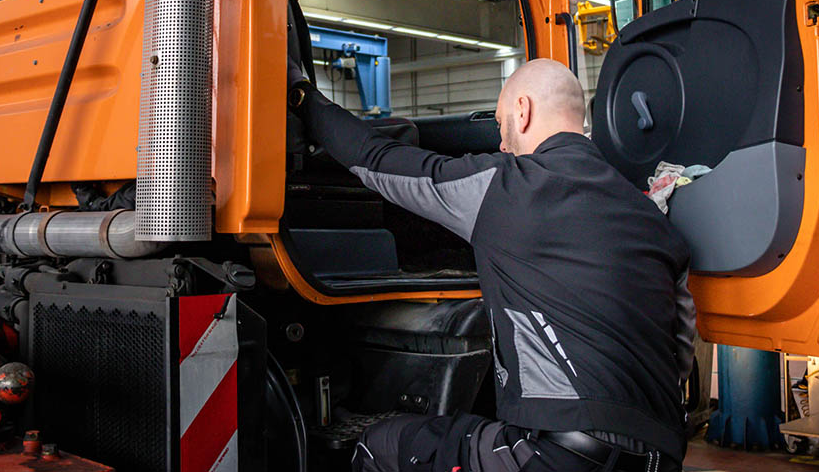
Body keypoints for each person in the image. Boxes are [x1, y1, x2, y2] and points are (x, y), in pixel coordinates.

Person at [289, 57, 695, 472]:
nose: (501, 143)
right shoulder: (653, 219)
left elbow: (376, 159)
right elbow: (679, 356)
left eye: (501, 123)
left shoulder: (504, 186)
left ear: (523, 111)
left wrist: (302, 96)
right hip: (660, 458)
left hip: (558, 457)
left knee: (380, 445)